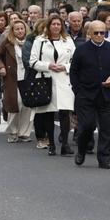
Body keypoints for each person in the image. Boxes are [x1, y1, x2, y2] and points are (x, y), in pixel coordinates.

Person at [68, 20, 110, 168]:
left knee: (106, 128)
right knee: (87, 125)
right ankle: (81, 149)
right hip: (86, 95)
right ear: (89, 33)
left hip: (106, 95)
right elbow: (73, 71)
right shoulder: (81, 50)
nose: (99, 35)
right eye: (96, 33)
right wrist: (77, 90)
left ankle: (104, 158)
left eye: (102, 33)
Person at [29, 15, 75, 156]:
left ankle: (65, 144)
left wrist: (65, 67)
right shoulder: (39, 41)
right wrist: (48, 65)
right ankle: (52, 144)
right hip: (46, 79)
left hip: (64, 79)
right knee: (48, 113)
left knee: (65, 112)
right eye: (53, 24)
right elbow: (33, 62)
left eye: (58, 24)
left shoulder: (68, 41)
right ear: (48, 26)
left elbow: (75, 61)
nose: (56, 26)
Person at [0, 17, 34, 143]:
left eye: (22, 29)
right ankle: (13, 131)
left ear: (25, 30)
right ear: (13, 31)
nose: (20, 31)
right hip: (12, 78)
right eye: (17, 29)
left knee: (27, 106)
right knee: (15, 103)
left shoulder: (31, 42)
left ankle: (24, 133)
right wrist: (1, 67)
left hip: (28, 78)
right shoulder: (7, 42)